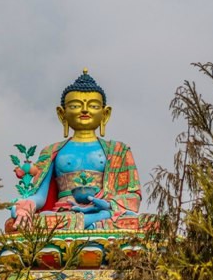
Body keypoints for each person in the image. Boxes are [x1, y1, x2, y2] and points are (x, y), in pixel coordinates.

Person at [11, 70, 142, 230]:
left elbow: (133, 195)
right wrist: (27, 205)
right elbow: (40, 195)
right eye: (75, 106)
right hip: (63, 213)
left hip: (105, 212)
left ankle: (94, 220)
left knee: (149, 223)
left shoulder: (118, 150)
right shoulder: (52, 151)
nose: (85, 110)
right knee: (27, 222)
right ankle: (92, 223)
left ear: (105, 114)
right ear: (62, 114)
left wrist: (107, 204)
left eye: (93, 105)